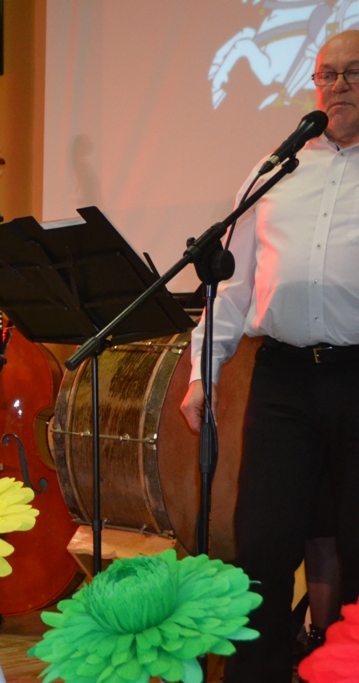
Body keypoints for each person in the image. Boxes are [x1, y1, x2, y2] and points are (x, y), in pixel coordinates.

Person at [180, 30, 359, 682]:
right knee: (261, 551)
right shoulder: (275, 170)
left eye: (353, 73)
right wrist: (203, 372)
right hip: (282, 379)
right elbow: (231, 285)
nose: (337, 86)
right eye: (327, 74)